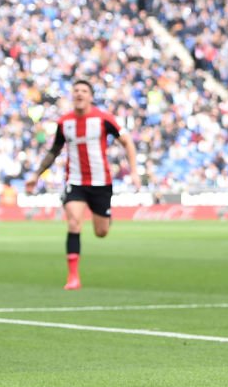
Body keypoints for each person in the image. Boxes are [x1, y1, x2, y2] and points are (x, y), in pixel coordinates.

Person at [25, 80, 141, 290]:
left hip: (100, 182)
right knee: (73, 223)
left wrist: (134, 171)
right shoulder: (64, 122)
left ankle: (105, 217)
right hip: (75, 181)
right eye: (76, 90)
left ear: (90, 96)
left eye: (84, 90)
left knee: (101, 232)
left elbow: (128, 142)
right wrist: (36, 175)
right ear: (72, 95)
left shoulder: (104, 119)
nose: (79, 93)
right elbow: (54, 151)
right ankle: (73, 277)